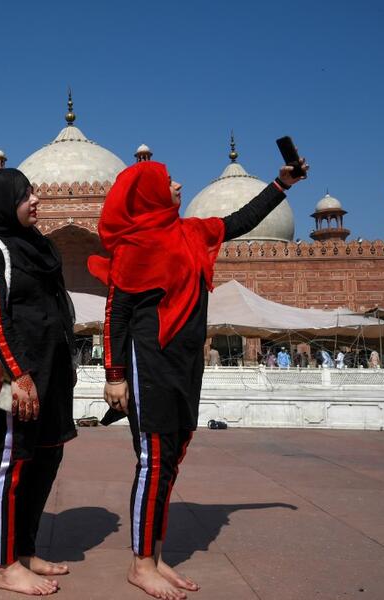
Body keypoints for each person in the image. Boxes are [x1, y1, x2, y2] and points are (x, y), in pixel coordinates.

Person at [88, 156, 307, 600]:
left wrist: (281, 184)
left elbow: (240, 220)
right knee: (152, 463)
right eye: (168, 181)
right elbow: (116, 316)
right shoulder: (134, 247)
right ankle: (140, 564)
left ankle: (155, 553)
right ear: (147, 193)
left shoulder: (190, 233)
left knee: (170, 460)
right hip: (148, 364)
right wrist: (114, 376)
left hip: (186, 365)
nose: (178, 183)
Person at [0, 168, 78, 596]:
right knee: (9, 464)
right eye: (26, 193)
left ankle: (25, 549)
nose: (35, 199)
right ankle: (3, 562)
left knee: (45, 460)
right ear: (2, 200)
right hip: (13, 374)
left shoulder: (38, 246)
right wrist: (18, 374)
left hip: (49, 372)